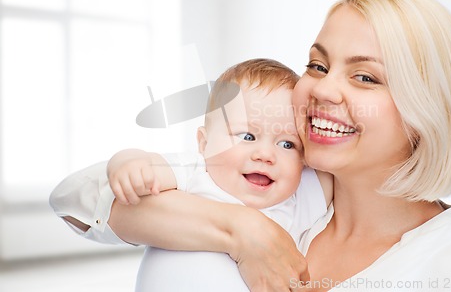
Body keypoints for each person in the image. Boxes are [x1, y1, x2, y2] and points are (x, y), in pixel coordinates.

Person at [50, 0, 451, 292]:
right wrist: (243, 230)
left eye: (365, 77)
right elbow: (80, 201)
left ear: (429, 110)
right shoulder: (288, 184)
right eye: (317, 66)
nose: (321, 89)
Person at [50, 58, 333, 291]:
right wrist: (127, 162)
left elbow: (342, 174)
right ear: (204, 143)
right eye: (247, 136)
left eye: (287, 144)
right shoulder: (196, 173)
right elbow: (136, 169)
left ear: (304, 161)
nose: (266, 154)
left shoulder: (294, 201)